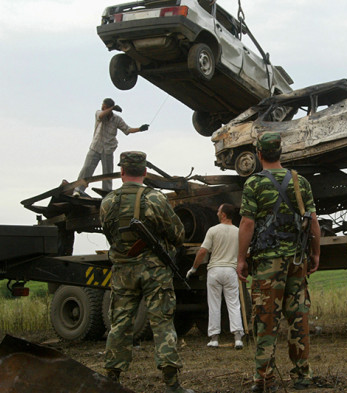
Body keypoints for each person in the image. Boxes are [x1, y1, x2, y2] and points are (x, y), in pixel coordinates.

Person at [100, 151, 195, 393]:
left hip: (123, 270)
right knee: (162, 323)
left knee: (119, 324)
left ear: (122, 172)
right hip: (154, 271)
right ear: (144, 172)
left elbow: (110, 234)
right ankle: (172, 385)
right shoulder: (156, 199)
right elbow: (178, 234)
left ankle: (112, 380)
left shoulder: (108, 201)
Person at [236, 133, 321, 392]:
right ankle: (302, 376)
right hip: (296, 261)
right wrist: (315, 254)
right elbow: (313, 220)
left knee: (265, 320)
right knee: (298, 318)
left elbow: (248, 223)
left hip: (267, 265)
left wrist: (241, 258)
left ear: (259, 155)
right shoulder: (300, 182)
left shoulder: (254, 184)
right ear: (280, 152)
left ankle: (264, 379)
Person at [186, 203, 244, 350]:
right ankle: (238, 338)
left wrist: (194, 268)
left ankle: (214, 338)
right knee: (234, 304)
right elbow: (245, 252)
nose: (217, 213)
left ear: (223, 214)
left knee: (214, 304)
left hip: (215, 270)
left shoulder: (213, 230)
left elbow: (202, 252)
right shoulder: (238, 232)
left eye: (218, 211)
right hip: (230, 270)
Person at [75, 98, 149, 196]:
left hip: (108, 150)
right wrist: (112, 108)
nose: (102, 108)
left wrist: (140, 129)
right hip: (96, 147)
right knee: (87, 169)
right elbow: (101, 116)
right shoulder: (99, 113)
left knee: (107, 173)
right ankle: (78, 190)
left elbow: (127, 130)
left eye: (104, 107)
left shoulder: (117, 119)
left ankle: (106, 193)